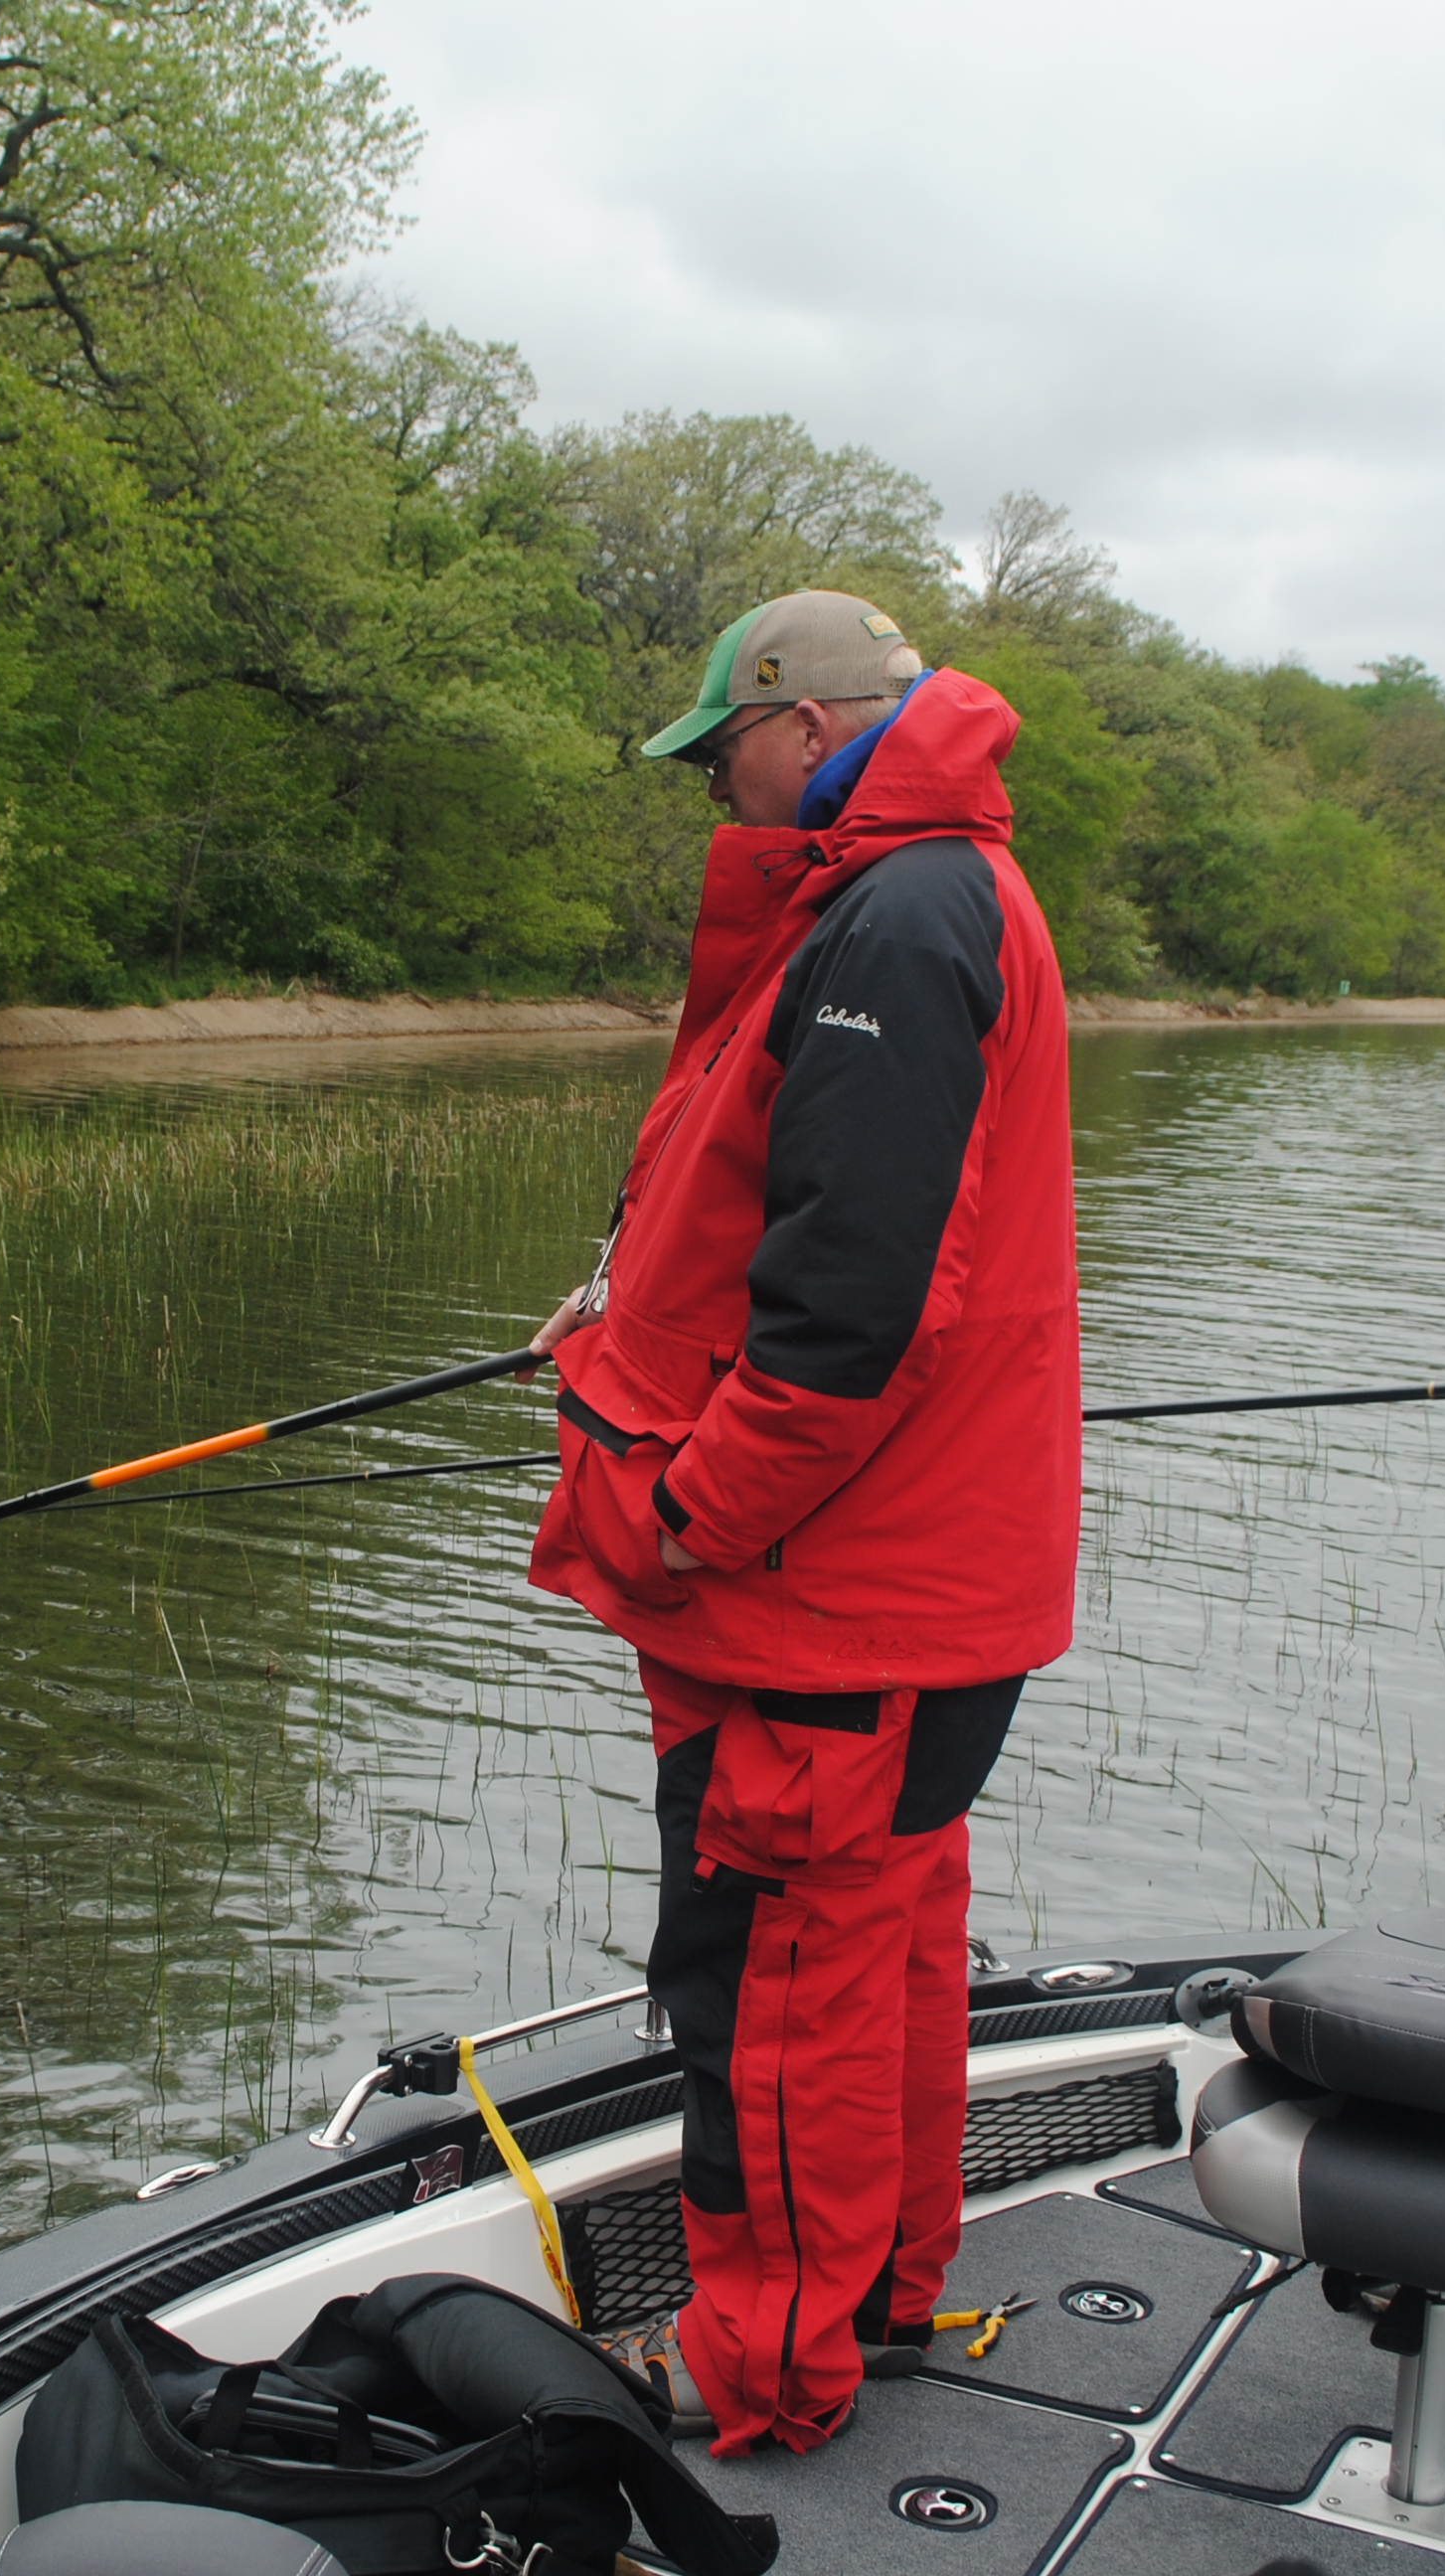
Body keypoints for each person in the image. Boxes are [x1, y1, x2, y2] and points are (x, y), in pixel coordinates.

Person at [526, 590, 1078, 2455]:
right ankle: (883, 2298)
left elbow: (853, 1307)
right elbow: (769, 1212)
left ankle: (758, 2363)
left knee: (767, 1991)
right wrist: (614, 1335)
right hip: (900, 1592)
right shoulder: (906, 894)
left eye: (723, 759)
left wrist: (689, 1507)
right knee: (879, 1960)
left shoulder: (904, 914)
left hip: (830, 1595)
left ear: (803, 717)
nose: (716, 800)